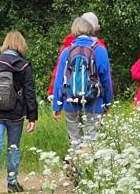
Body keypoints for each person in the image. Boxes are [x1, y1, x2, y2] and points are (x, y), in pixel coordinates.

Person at [0, 32, 37, 194]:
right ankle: (12, 182)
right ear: (21, 45)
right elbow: (29, 92)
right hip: (15, 113)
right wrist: (32, 116)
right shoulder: (24, 66)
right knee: (13, 147)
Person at [48, 13, 113, 145]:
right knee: (92, 142)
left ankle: (77, 164)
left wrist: (57, 105)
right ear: (91, 30)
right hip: (94, 102)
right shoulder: (99, 50)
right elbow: (106, 79)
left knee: (75, 142)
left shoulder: (67, 51)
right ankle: (89, 164)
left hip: (70, 103)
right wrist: (107, 102)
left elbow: (59, 80)